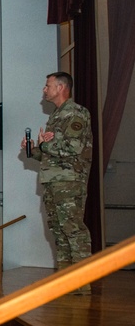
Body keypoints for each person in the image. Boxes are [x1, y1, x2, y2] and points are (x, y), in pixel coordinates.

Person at [22, 71, 93, 286]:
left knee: (72, 229)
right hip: (53, 180)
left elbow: (73, 147)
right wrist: (33, 149)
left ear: (61, 88)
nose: (44, 90)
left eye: (47, 86)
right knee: (58, 231)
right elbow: (51, 153)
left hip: (69, 181)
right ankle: (66, 282)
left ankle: (82, 282)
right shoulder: (55, 116)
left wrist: (44, 145)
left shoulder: (76, 113)